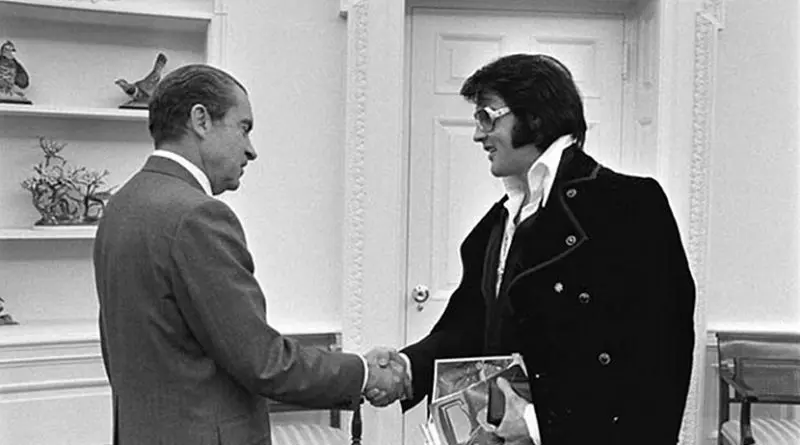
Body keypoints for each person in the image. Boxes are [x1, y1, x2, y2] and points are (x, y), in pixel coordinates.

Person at [367, 54, 696, 444]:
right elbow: (471, 324)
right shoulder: (497, 221)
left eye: (488, 118)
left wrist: (541, 427)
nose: (478, 135)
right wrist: (406, 368)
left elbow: (660, 357)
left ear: (535, 117)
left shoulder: (628, 204)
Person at [93, 64, 407, 445]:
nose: (251, 150)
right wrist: (363, 372)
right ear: (201, 120)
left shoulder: (122, 205)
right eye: (244, 127)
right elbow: (264, 362)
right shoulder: (197, 216)